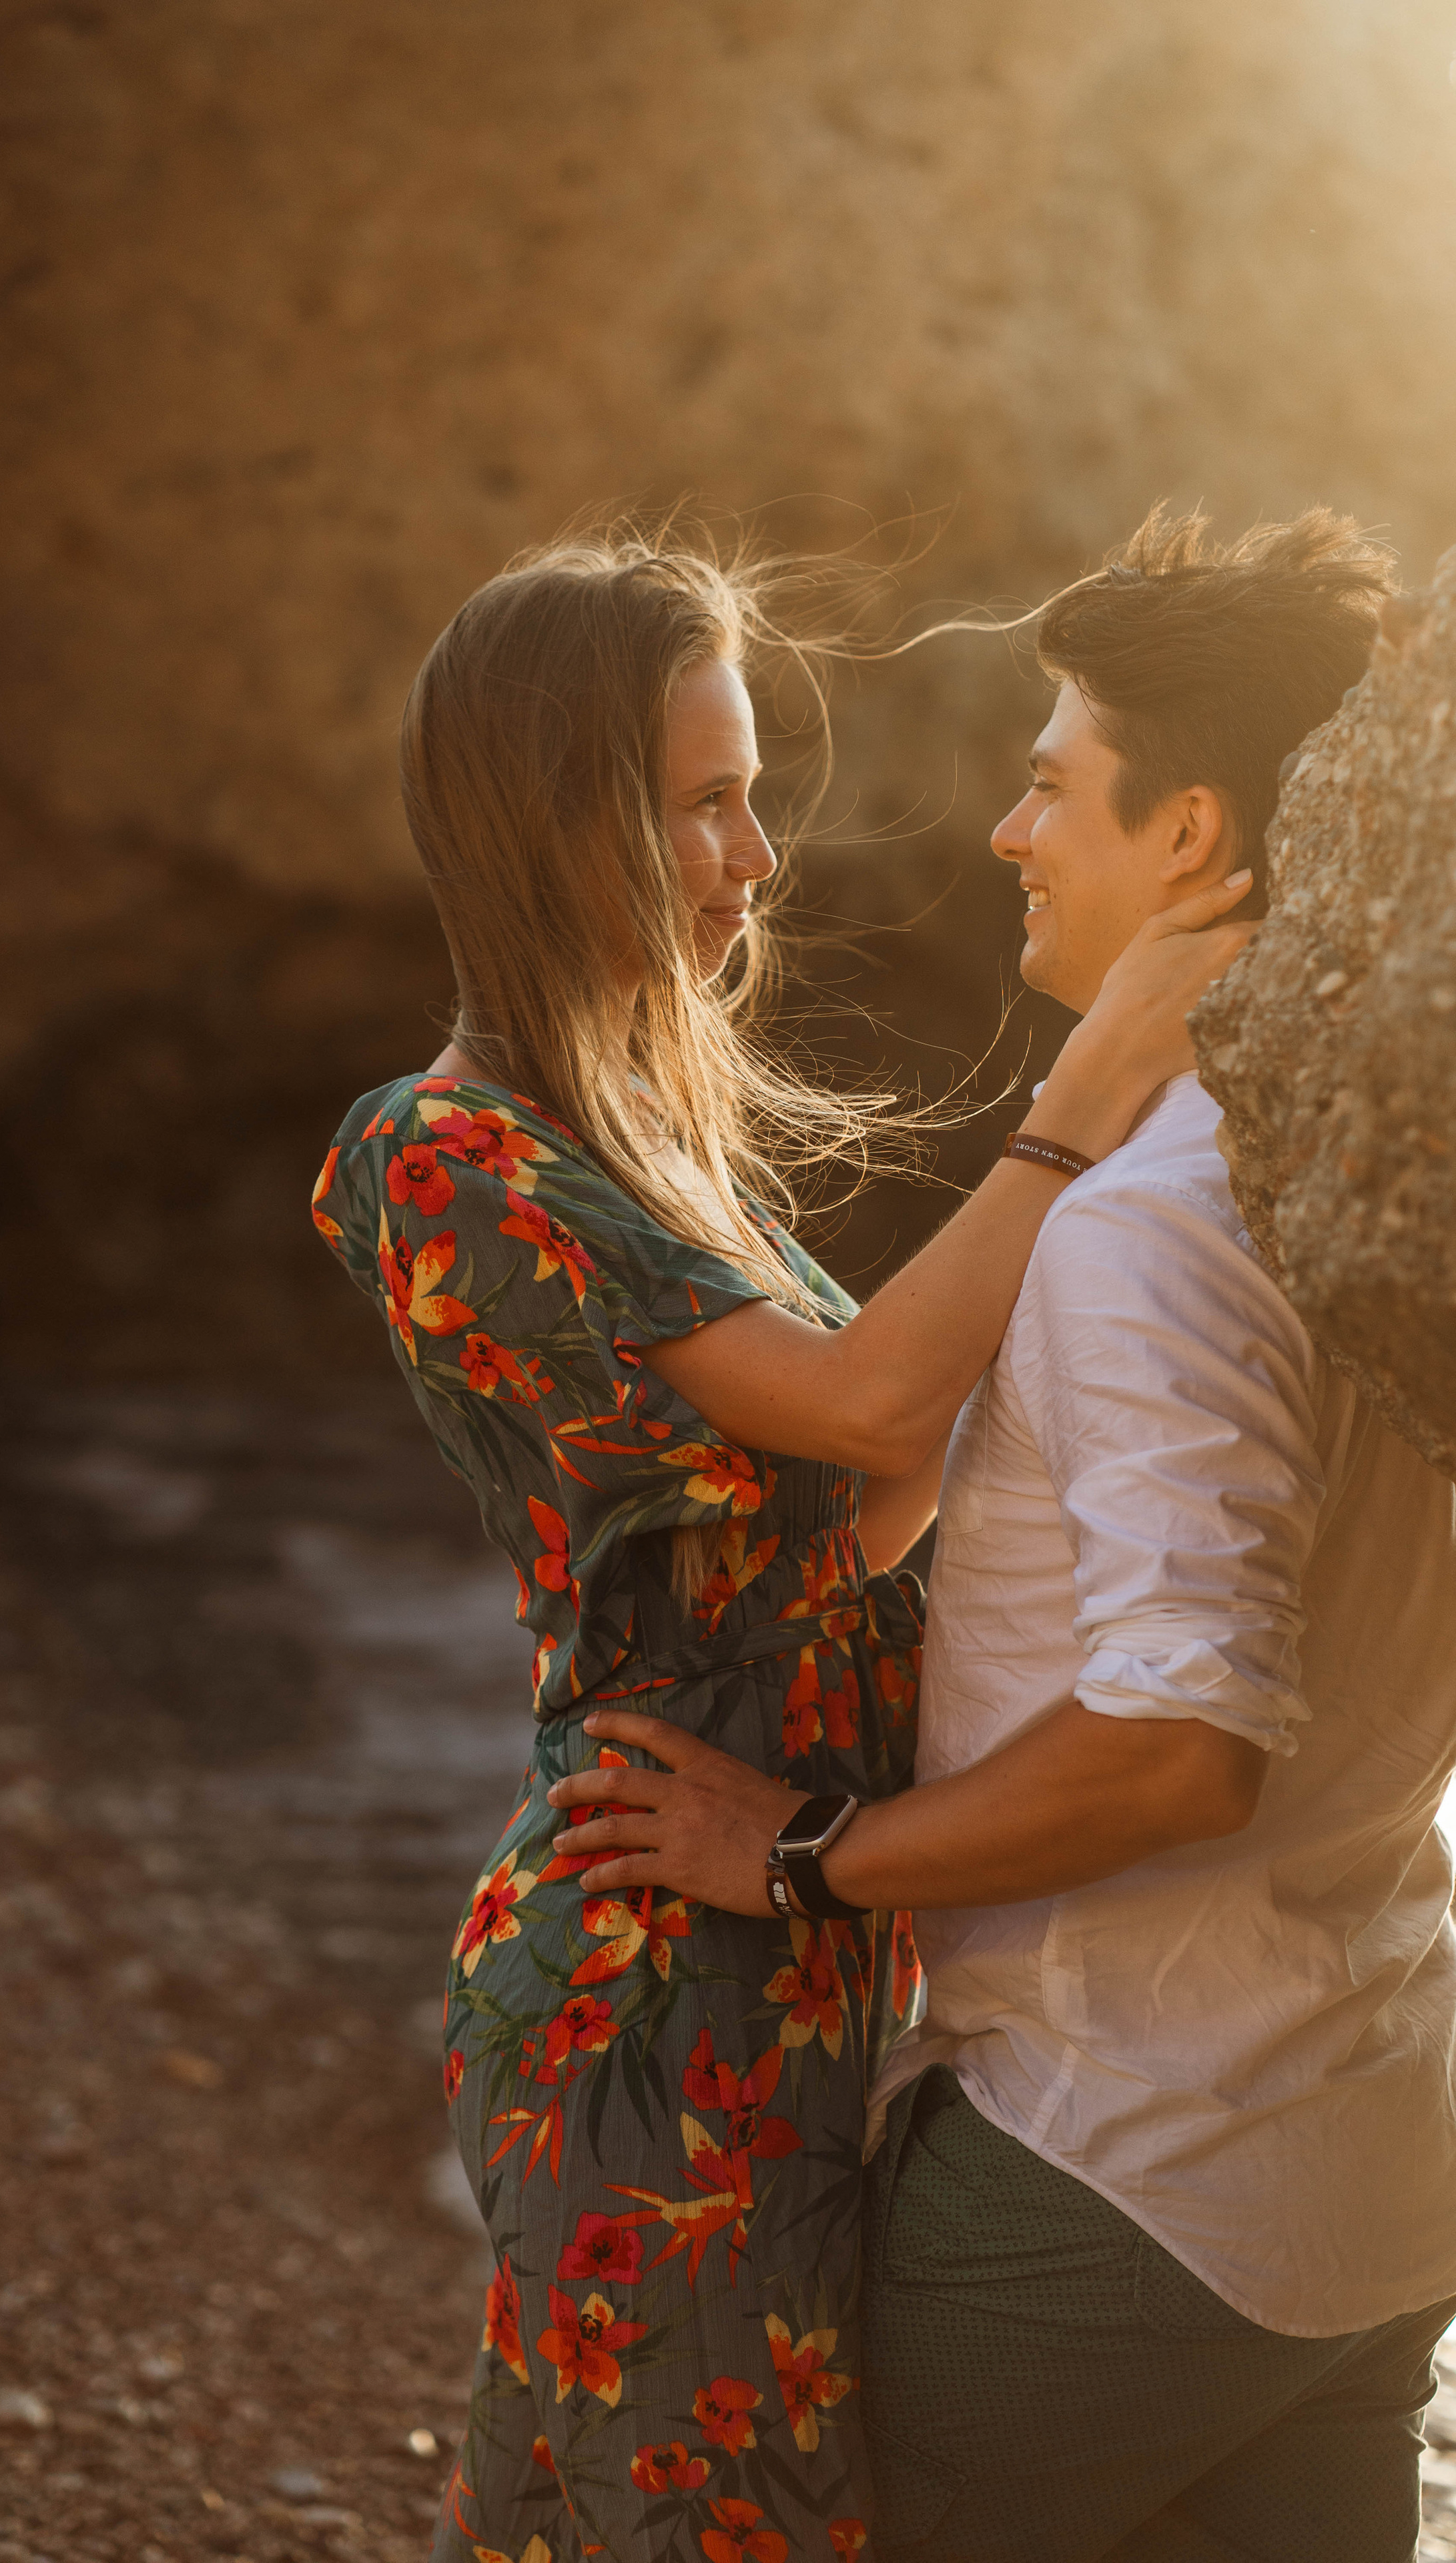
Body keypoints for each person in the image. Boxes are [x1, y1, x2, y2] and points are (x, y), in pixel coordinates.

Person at [314, 524, 1250, 2562]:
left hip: (788, 1937)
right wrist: (1085, 1099)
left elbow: (864, 1508)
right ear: (557, 820)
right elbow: (872, 1414)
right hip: (654, 1962)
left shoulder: (650, 1152)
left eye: (751, 795)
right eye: (703, 802)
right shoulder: (443, 1153)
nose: (754, 856)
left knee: (649, 2510)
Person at [548, 509, 1456, 2563]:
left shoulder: (1156, 1230)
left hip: (1124, 2170)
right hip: (1380, 2167)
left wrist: (798, 1853)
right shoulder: (1385, 1185)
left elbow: (1179, 1745)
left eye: (1053, 782)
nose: (1008, 831)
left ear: (1190, 831)